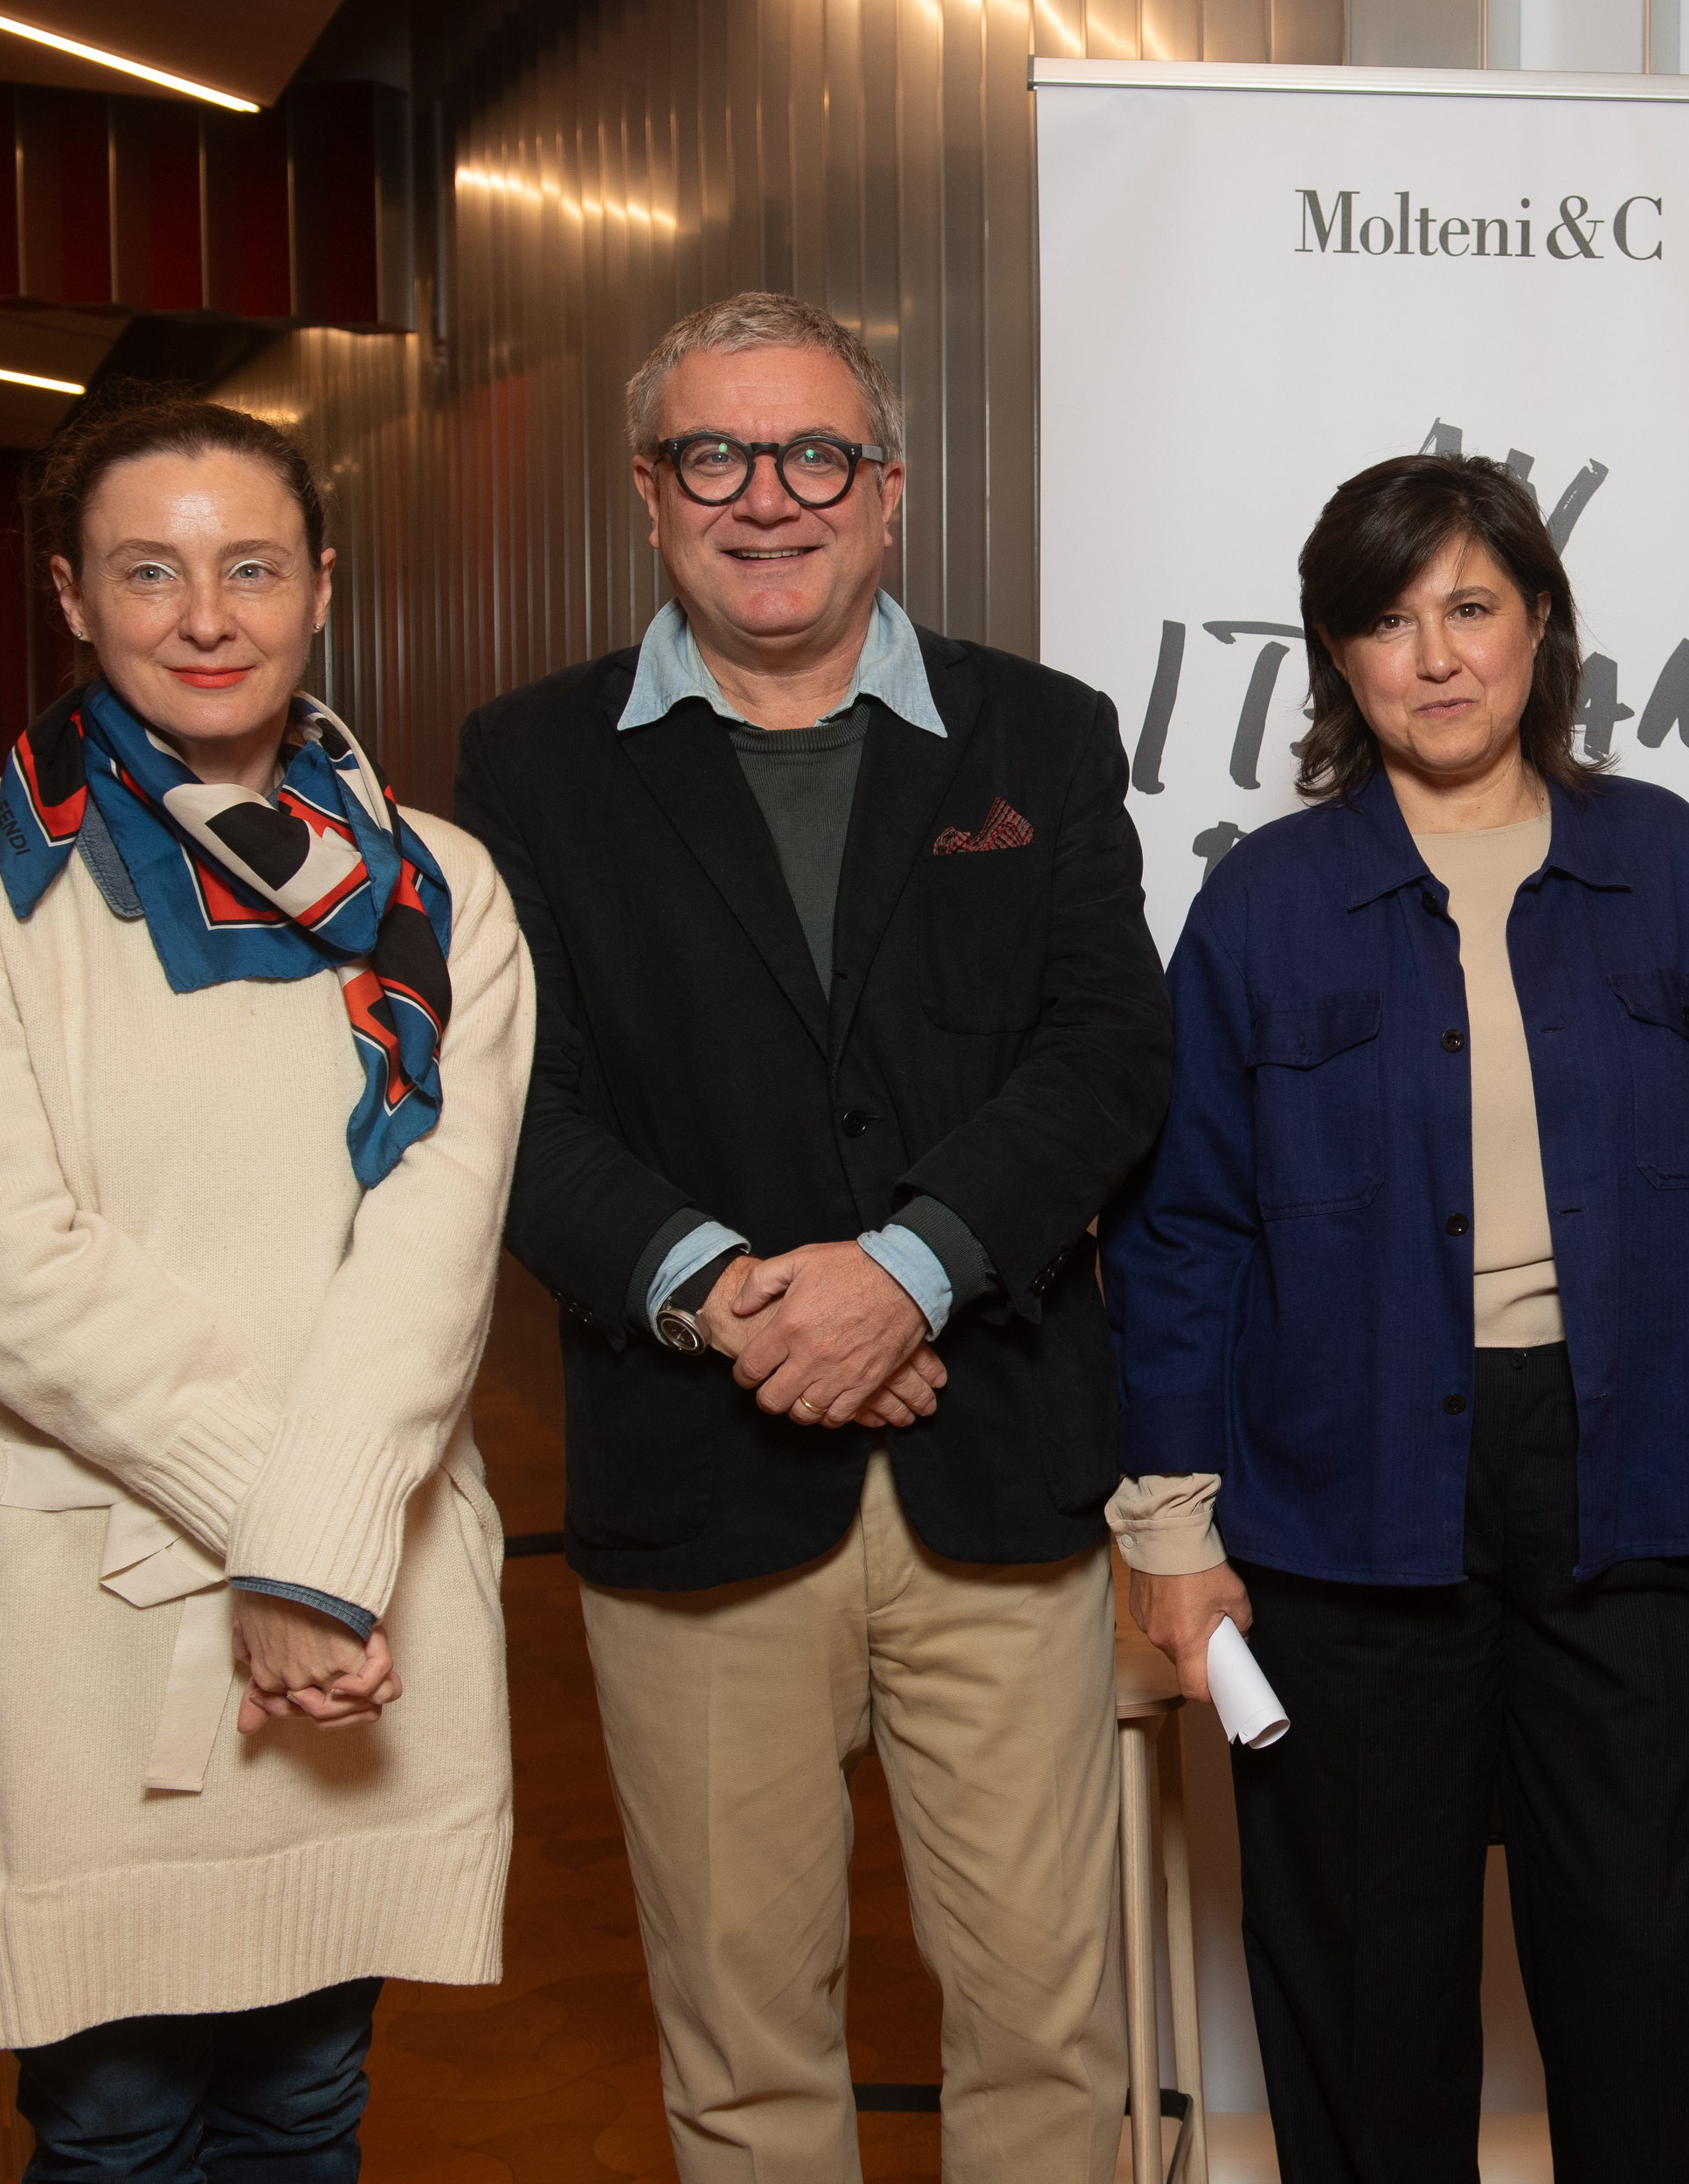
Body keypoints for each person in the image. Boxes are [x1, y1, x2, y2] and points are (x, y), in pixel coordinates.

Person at [453, 293, 1171, 2180]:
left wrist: (908, 1266)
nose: (766, 497)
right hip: (697, 1479)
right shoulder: (528, 764)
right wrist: (730, 1299)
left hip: (997, 1474)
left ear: (888, 492)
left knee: (1043, 2025)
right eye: (715, 454)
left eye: (814, 454)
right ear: (649, 490)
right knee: (745, 2043)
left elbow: (1109, 1054)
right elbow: (512, 1100)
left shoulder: (1044, 731)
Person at [0, 396, 531, 2175]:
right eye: (149, 569)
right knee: (113, 2123)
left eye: (250, 567)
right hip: (81, 1598)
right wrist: (279, 1541)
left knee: (309, 2103)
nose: (205, 614)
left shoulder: (435, 885)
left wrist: (313, 1553)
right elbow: (3, 1265)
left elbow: (433, 1260)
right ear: (72, 594)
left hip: (358, 1598)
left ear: (319, 592)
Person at [1104, 452, 1689, 2184]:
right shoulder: (1263, 901)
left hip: (1631, 1471)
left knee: (1641, 1959)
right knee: (1363, 1965)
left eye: (1472, 608)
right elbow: (1182, 1226)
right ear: (1336, 659)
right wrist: (1169, 1521)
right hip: (1341, 1497)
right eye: (1386, 620)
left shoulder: (1659, 866)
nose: (1436, 656)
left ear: (1541, 628)